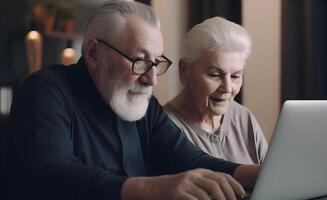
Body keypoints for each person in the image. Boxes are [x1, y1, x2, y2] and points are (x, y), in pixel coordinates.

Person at [6, 1, 260, 200]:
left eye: (156, 63)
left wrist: (263, 176)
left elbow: (191, 160)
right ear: (94, 53)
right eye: (140, 61)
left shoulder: (144, 107)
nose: (152, 79)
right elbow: (52, 174)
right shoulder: (46, 91)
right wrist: (151, 188)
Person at [164, 17, 268, 165]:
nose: (227, 88)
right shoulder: (163, 126)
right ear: (185, 71)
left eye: (235, 76)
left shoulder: (244, 118)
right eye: (215, 75)